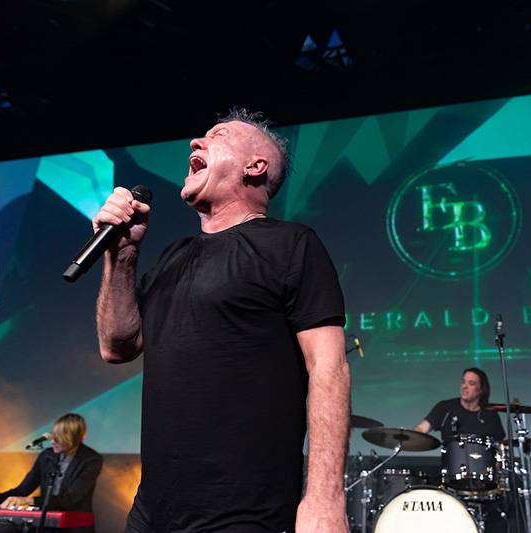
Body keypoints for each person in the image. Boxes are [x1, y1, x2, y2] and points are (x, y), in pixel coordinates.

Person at [93, 108, 350, 533]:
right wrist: (121, 256)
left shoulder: (291, 244)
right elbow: (116, 346)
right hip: (151, 515)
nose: (196, 141)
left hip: (244, 516)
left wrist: (325, 498)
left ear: (255, 166)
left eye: (219, 135)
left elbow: (329, 366)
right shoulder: (172, 256)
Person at [0, 413, 103, 533]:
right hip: (44, 523)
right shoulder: (47, 455)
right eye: (53, 437)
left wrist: (28, 501)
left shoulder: (91, 459)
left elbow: (69, 499)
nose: (52, 442)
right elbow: (22, 490)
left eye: (58, 439)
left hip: (73, 527)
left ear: (73, 439)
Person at [414, 368, 505, 442]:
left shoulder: (490, 414)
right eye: (463, 382)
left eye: (471, 383)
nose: (464, 386)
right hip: (451, 459)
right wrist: (410, 436)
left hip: (484, 460)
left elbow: (502, 442)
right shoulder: (445, 407)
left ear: (481, 389)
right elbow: (422, 428)